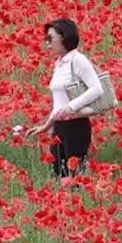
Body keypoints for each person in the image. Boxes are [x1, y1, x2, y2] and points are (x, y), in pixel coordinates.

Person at [30, 19, 103, 179]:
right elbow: (59, 102)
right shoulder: (60, 63)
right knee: (60, 175)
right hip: (60, 127)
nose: (47, 43)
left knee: (75, 177)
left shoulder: (78, 60)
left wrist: (71, 107)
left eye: (50, 38)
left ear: (64, 37)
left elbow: (97, 89)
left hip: (76, 127)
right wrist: (46, 125)